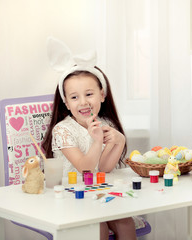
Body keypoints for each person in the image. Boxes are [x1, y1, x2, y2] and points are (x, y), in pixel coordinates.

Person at [42, 37, 136, 240]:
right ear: (66, 103)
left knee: (125, 222)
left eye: (89, 94)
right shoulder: (62, 130)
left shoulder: (105, 123)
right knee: (97, 227)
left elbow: (103, 169)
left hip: (96, 190)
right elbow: (85, 168)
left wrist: (118, 142)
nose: (83, 102)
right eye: (74, 97)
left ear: (102, 95)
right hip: (69, 193)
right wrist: (96, 141)